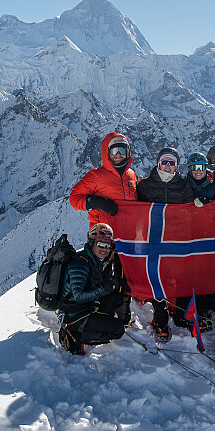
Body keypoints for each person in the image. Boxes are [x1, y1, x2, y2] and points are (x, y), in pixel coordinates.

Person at [68, 132, 137, 326]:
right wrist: (97, 201)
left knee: (123, 276)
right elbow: (74, 199)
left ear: (127, 152)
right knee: (101, 277)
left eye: (121, 150)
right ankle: (99, 313)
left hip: (125, 237)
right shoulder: (96, 175)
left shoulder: (131, 176)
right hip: (102, 236)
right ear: (106, 153)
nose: (118, 154)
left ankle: (123, 315)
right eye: (113, 150)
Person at [135, 147, 195, 341]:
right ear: (158, 163)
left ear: (177, 166)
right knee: (157, 279)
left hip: (177, 239)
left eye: (172, 163)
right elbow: (137, 210)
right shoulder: (145, 185)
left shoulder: (184, 185)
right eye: (164, 162)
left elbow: (190, 210)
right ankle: (161, 322)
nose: (168, 166)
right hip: (154, 241)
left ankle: (182, 316)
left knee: (183, 277)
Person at [56, 223, 126, 355]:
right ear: (92, 242)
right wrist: (104, 288)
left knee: (115, 296)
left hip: (83, 308)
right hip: (74, 315)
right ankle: (75, 335)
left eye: (108, 245)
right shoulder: (80, 263)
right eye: (101, 244)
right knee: (118, 329)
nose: (105, 249)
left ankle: (93, 324)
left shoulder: (93, 259)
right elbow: (79, 296)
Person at [185, 152, 215, 333]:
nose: (198, 171)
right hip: (186, 236)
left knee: (205, 273)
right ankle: (189, 308)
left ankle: (203, 309)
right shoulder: (184, 186)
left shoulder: (213, 187)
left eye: (201, 167)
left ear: (206, 168)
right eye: (194, 168)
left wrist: (208, 204)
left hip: (207, 236)